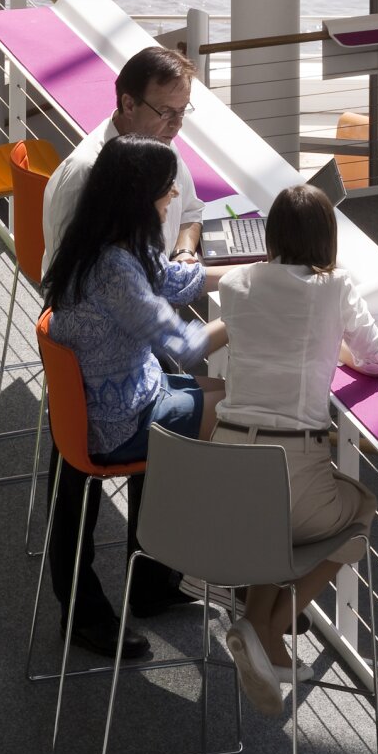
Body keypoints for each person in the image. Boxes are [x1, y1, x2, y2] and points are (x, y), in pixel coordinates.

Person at [41, 135, 228, 659]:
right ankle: (230, 564)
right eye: (167, 187)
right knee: (232, 409)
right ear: (141, 194)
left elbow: (174, 282)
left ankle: (157, 572)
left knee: (216, 395)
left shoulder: (108, 239)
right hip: (115, 420)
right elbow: (186, 346)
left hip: (113, 395)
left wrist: (251, 275)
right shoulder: (116, 271)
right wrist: (247, 312)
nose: (174, 195)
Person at [210, 185, 378, 713]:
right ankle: (273, 621)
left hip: (225, 473)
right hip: (291, 467)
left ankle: (261, 631)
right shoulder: (334, 286)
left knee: (274, 519)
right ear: (325, 240)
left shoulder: (238, 282)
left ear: (271, 236)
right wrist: (336, 343)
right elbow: (377, 359)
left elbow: (270, 334)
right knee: (358, 508)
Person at [42, 45, 204, 270]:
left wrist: (183, 253)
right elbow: (70, 273)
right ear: (129, 104)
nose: (177, 124)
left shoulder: (162, 141)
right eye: (166, 111)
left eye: (182, 110)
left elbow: (190, 210)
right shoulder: (85, 171)